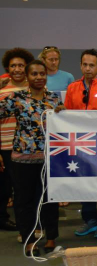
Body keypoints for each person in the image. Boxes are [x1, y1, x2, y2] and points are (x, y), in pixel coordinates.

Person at [0, 60, 62, 257]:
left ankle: (51, 236)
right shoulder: (17, 98)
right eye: (34, 74)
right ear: (27, 77)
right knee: (24, 201)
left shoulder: (53, 99)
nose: (38, 77)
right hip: (22, 160)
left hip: (48, 159)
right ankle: (28, 238)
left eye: (42, 74)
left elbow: (63, 124)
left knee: (49, 199)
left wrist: (63, 113)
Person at [63, 49, 97, 239]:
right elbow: (67, 116)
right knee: (84, 184)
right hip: (80, 145)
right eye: (84, 64)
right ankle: (90, 220)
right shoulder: (72, 88)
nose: (87, 68)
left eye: (91, 65)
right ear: (80, 66)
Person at [0, 48, 34, 235]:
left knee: (22, 187)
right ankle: (2, 219)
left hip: (26, 146)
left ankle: (25, 224)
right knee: (3, 186)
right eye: (13, 65)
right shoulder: (1, 87)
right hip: (4, 144)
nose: (17, 69)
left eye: (21, 65)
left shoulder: (35, 86)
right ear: (7, 67)